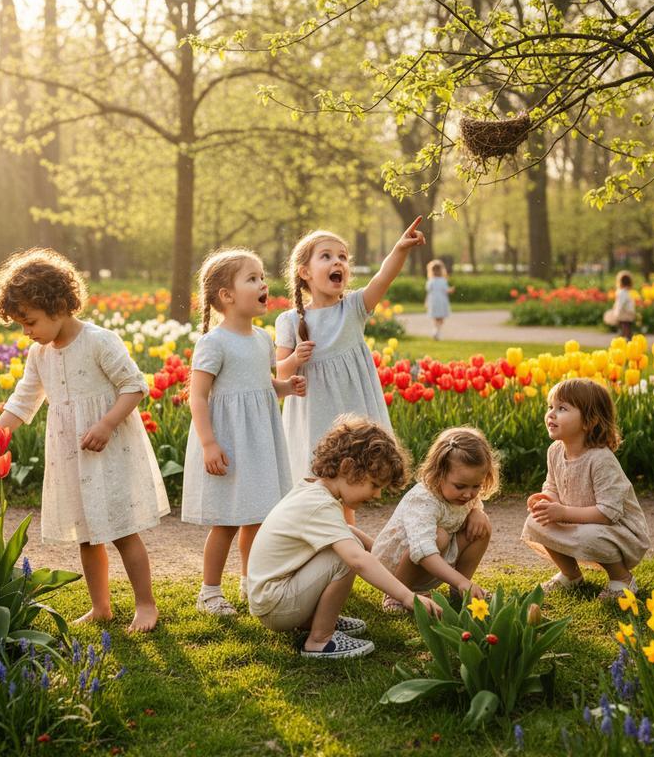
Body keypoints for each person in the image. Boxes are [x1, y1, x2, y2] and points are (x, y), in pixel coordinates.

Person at [0, 248, 169, 632]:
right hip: (72, 454)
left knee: (121, 530)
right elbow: (24, 400)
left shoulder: (99, 341)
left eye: (30, 321)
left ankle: (145, 604)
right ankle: (101, 606)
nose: (26, 331)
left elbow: (135, 387)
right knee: (87, 536)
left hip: (108, 448)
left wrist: (106, 424)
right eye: (21, 324)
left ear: (57, 305)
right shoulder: (40, 355)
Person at [247, 417, 440, 660]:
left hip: (272, 598)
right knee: (346, 557)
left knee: (347, 544)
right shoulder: (319, 506)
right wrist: (407, 596)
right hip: (276, 605)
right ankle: (319, 640)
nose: (378, 494)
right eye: (374, 484)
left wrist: (381, 553)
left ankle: (314, 621)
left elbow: (347, 532)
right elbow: (358, 559)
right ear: (348, 467)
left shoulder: (313, 491)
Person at [275, 218, 427, 523]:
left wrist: (400, 248)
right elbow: (279, 375)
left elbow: (383, 278)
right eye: (327, 256)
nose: (338, 262)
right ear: (304, 272)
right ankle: (321, 545)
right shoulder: (290, 321)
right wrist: (295, 360)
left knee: (347, 484)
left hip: (350, 413)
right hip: (314, 415)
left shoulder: (354, 307)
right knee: (317, 484)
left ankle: (344, 548)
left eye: (343, 257)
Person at [183, 249, 306, 616]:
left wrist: (286, 387)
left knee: (258, 516)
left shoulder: (261, 340)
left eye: (262, 276)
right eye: (252, 278)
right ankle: (210, 592)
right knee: (226, 521)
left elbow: (263, 383)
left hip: (259, 442)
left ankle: (251, 581)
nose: (263, 283)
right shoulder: (214, 343)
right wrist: (208, 443)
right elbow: (198, 396)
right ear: (226, 295)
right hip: (229, 441)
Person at [521, 378, 650, 600]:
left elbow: (608, 514)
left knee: (591, 536)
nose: (551, 414)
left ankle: (622, 579)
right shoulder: (555, 451)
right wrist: (546, 500)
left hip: (619, 532)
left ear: (589, 421)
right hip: (580, 522)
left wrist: (562, 512)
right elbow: (552, 485)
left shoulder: (600, 459)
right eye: (550, 407)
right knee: (535, 521)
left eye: (562, 408)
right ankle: (571, 575)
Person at [372, 427, 496, 612]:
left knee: (482, 526)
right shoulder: (423, 500)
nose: (469, 494)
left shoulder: (463, 495)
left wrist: (477, 512)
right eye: (460, 486)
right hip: (398, 564)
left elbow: (473, 504)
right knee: (440, 536)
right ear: (438, 474)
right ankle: (397, 594)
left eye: (476, 486)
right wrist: (458, 578)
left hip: (436, 556)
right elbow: (422, 550)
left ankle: (460, 590)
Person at [425, 259, 455, 340]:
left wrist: (426, 302)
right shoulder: (443, 280)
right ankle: (437, 331)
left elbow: (428, 292)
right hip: (441, 302)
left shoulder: (430, 281)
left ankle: (436, 331)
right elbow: (446, 290)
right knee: (441, 318)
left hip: (433, 302)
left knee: (436, 318)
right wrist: (451, 289)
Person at [611, 271, 637, 340]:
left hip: (625, 312)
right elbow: (622, 303)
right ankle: (626, 339)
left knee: (625, 326)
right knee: (626, 326)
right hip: (627, 312)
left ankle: (625, 339)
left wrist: (616, 312)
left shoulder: (622, 292)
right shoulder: (625, 292)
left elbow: (620, 303)